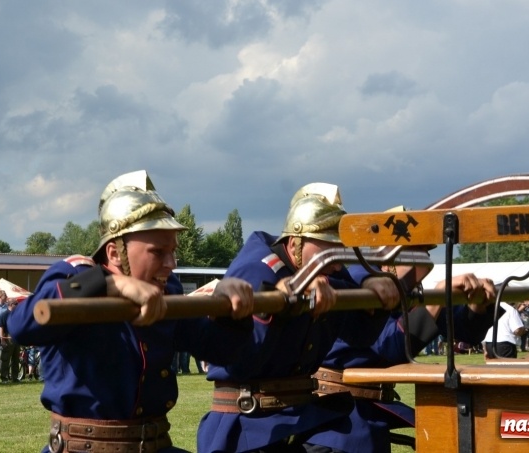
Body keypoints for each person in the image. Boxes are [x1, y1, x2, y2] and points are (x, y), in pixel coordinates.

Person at [9, 170, 254, 453]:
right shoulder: (74, 276)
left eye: (173, 251)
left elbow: (220, 351)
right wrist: (108, 284)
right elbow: (21, 325)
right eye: (158, 252)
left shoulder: (168, 290)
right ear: (114, 253)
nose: (171, 263)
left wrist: (234, 310)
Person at [197, 182, 403, 453]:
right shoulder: (259, 273)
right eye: (329, 251)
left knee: (353, 443)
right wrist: (284, 300)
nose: (338, 262)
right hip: (249, 427)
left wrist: (373, 294)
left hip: (298, 416)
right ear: (295, 243)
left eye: (341, 250)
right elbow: (239, 362)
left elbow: (359, 334)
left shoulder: (330, 275)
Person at [307, 236, 497, 453]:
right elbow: (390, 345)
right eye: (416, 250)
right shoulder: (361, 278)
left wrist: (477, 305)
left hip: (366, 412)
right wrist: (440, 295)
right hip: (337, 418)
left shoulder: (402, 284)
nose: (425, 259)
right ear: (388, 253)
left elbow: (464, 332)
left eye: (426, 251)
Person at [0, 298, 21, 383]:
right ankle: (4, 377)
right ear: (11, 305)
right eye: (16, 304)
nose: (17, 305)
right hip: (8, 337)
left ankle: (15, 377)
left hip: (16, 338)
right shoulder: (4, 314)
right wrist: (2, 339)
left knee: (16, 359)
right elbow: (1, 327)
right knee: (6, 359)